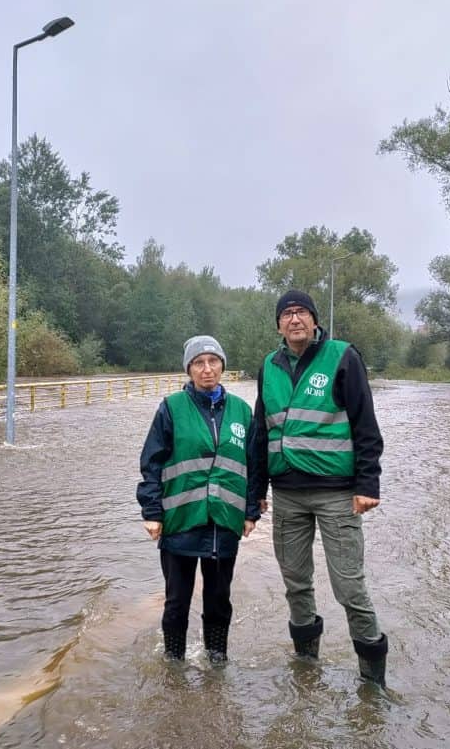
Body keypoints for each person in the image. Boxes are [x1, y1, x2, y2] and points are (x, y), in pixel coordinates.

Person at [250, 289, 388, 685]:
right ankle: (307, 667)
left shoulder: (342, 356)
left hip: (337, 494)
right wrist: (258, 490)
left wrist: (368, 483)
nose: (295, 320)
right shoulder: (269, 365)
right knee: (295, 583)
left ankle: (372, 681)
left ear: (314, 321)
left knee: (349, 587)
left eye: (302, 313)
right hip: (287, 494)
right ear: (278, 324)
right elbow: (261, 432)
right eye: (287, 314)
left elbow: (366, 425)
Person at [137, 335, 261, 663]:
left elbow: (254, 466)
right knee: (177, 600)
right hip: (180, 521)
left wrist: (250, 512)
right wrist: (152, 512)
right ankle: (174, 662)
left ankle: (217, 658)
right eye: (198, 363)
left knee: (219, 598)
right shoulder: (171, 408)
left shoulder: (241, 412)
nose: (207, 369)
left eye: (213, 361)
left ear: (223, 365)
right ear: (189, 369)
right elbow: (151, 464)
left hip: (225, 522)